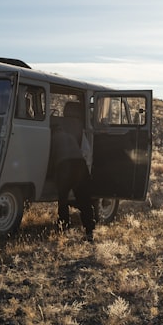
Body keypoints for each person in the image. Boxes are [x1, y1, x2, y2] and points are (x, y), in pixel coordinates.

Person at [50, 102, 96, 242]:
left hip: (65, 166)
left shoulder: (52, 138)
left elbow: (51, 158)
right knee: (84, 200)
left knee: (63, 199)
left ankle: (64, 229)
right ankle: (89, 231)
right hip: (80, 165)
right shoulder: (69, 136)